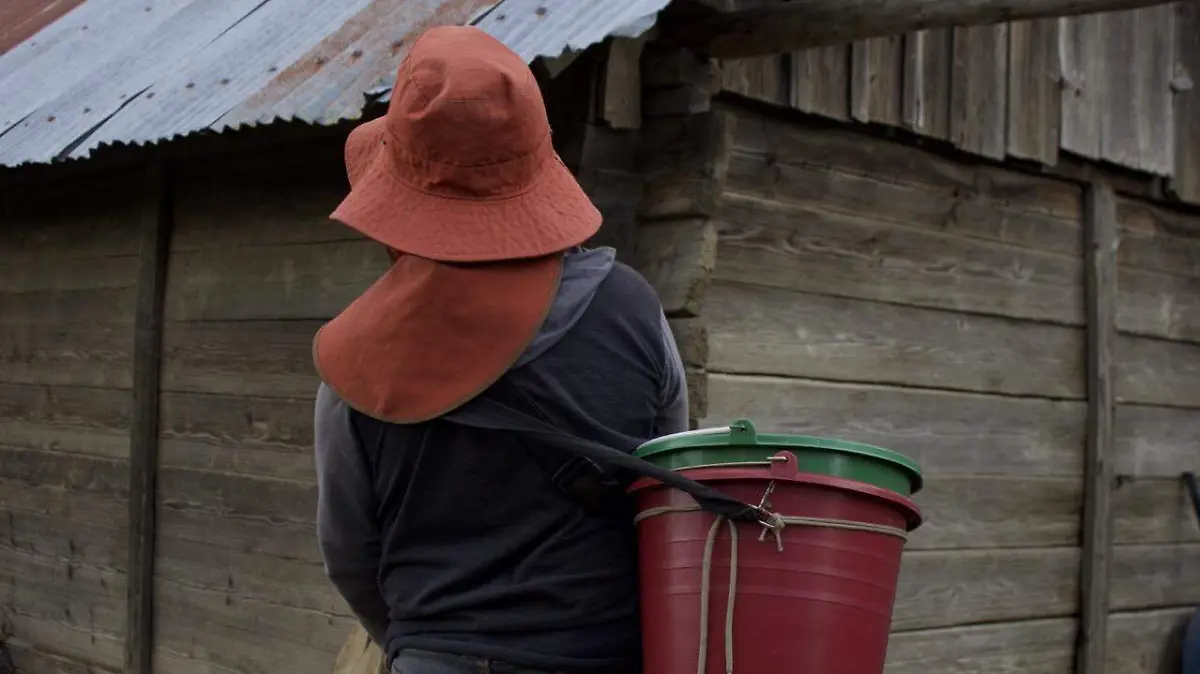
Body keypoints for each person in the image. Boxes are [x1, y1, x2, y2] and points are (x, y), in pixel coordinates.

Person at [312, 25, 689, 674]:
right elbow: (669, 495)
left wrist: (422, 648)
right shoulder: (632, 309)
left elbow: (349, 556)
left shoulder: (355, 359)